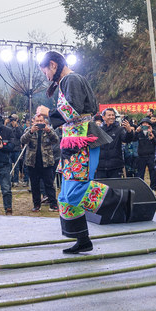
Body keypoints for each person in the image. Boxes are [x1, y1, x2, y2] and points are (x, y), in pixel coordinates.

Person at [36, 51, 131, 254]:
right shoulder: (69, 80)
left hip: (82, 141)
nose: (46, 76)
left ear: (53, 65)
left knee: (75, 191)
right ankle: (83, 239)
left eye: (45, 71)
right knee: (65, 196)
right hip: (72, 143)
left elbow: (75, 109)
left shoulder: (72, 79)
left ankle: (120, 200)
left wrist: (48, 112)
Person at [21, 113, 60, 211]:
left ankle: (53, 204)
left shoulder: (49, 130)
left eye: (41, 121)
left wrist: (49, 131)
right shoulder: (28, 130)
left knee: (49, 184)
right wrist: (30, 132)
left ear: (44, 121)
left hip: (46, 161)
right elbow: (23, 140)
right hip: (32, 162)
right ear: (33, 121)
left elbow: (56, 140)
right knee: (35, 185)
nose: (39, 123)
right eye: (37, 121)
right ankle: (36, 205)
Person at [94, 108, 135, 180]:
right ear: (103, 117)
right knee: (102, 189)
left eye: (113, 115)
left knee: (116, 189)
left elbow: (126, 139)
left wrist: (129, 131)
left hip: (115, 166)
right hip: (101, 167)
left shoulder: (119, 129)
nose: (111, 117)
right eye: (109, 115)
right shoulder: (98, 130)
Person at [135, 118, 156, 188]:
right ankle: (141, 187)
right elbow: (133, 139)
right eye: (143, 123)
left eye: (147, 123)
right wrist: (136, 131)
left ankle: (153, 187)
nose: (145, 125)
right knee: (140, 173)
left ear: (149, 125)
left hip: (151, 155)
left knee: (152, 173)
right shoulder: (139, 132)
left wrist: (152, 133)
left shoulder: (153, 132)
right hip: (141, 156)